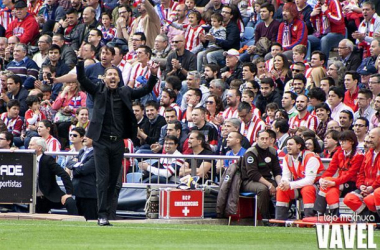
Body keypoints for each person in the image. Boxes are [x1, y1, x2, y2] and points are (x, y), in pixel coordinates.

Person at [76, 57, 159, 226]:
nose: (112, 77)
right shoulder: (98, 90)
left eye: (115, 74)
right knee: (103, 178)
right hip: (101, 142)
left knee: (113, 180)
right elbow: (82, 79)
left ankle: (107, 212)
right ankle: (102, 215)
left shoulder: (126, 92)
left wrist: (153, 74)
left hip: (118, 142)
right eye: (109, 74)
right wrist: (80, 63)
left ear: (119, 79)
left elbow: (146, 89)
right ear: (105, 78)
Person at [315, 130, 363, 216]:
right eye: (340, 141)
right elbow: (331, 169)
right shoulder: (339, 153)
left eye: (344, 141)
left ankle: (319, 213)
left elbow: (350, 174)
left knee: (328, 183)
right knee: (331, 191)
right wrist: (322, 179)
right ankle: (334, 216)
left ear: (351, 142)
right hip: (340, 182)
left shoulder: (358, 155)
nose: (341, 143)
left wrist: (333, 182)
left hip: (352, 183)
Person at [275, 136, 324, 220]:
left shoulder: (311, 157)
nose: (288, 147)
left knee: (307, 189)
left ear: (299, 145)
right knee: (281, 189)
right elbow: (286, 176)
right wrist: (284, 183)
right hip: (298, 185)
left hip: (317, 186)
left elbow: (310, 180)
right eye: (287, 144)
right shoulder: (287, 157)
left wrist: (289, 184)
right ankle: (279, 221)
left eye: (290, 144)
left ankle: (309, 219)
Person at [28, 137, 78, 215]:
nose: (28, 147)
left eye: (31, 145)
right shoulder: (26, 159)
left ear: (39, 148)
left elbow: (64, 174)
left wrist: (69, 193)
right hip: (33, 198)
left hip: (50, 196)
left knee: (69, 201)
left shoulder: (47, 160)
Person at [240, 129, 282, 220]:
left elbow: (277, 171)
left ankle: (279, 217)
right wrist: (269, 185)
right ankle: (263, 218)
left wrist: (279, 184)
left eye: (267, 138)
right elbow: (253, 174)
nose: (264, 141)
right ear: (257, 139)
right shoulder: (251, 152)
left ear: (270, 140)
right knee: (263, 189)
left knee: (281, 188)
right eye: (262, 138)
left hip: (268, 179)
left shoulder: (273, 152)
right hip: (249, 181)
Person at [343, 127, 380, 216]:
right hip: (367, 188)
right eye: (369, 137)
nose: (369, 140)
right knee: (349, 198)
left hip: (376, 189)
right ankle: (369, 218)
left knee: (370, 199)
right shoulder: (368, 153)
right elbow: (361, 173)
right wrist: (361, 186)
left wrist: (372, 187)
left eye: (372, 138)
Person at [66, 135, 97, 220]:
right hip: (78, 190)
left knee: (90, 219)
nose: (85, 138)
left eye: (88, 136)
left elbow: (83, 170)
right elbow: (69, 163)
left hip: (89, 193)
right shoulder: (82, 151)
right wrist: (78, 165)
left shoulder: (96, 153)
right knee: (78, 219)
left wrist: (76, 166)